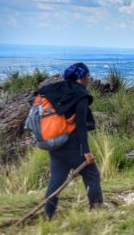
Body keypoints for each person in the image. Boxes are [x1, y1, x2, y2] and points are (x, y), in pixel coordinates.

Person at [39, 62, 103, 218]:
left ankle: (48, 215)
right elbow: (81, 124)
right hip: (71, 145)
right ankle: (97, 212)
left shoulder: (57, 90)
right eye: (87, 76)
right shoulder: (79, 95)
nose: (89, 79)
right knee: (92, 174)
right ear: (81, 78)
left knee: (56, 181)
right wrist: (86, 151)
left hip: (55, 143)